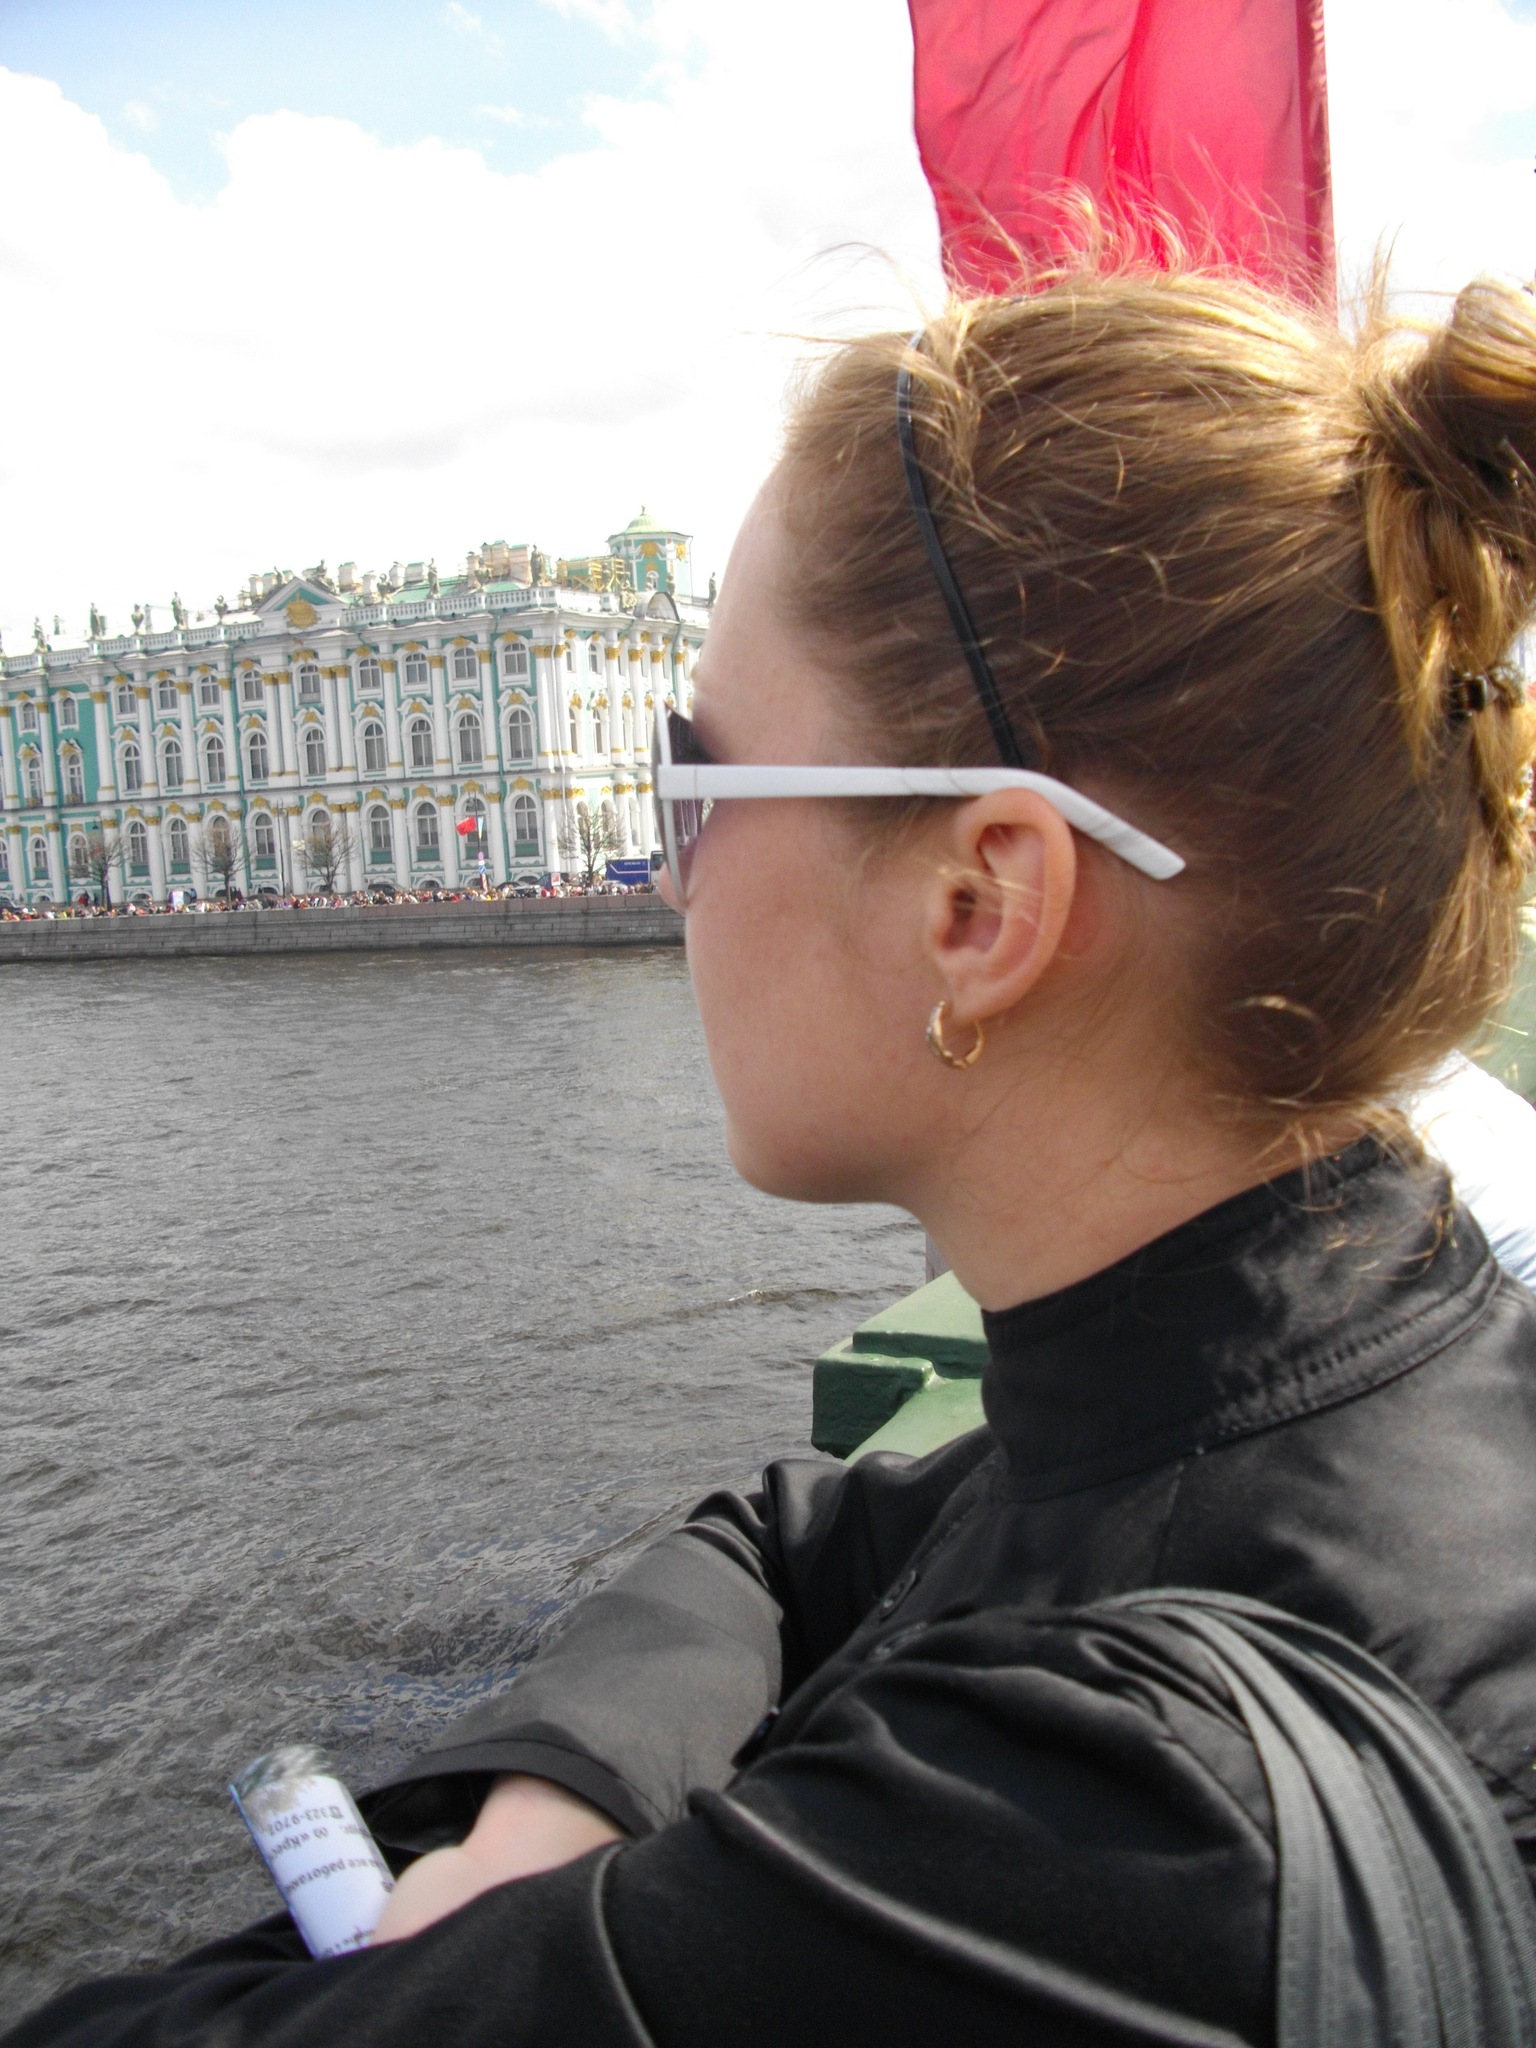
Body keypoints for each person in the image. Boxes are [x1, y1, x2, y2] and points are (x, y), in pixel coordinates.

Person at [13, 262, 1536, 2045]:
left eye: (694, 776)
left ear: (979, 907)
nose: (671, 877)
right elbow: (781, 1531)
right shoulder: (1336, 1371)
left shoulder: (1104, 1829)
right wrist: (557, 1801)